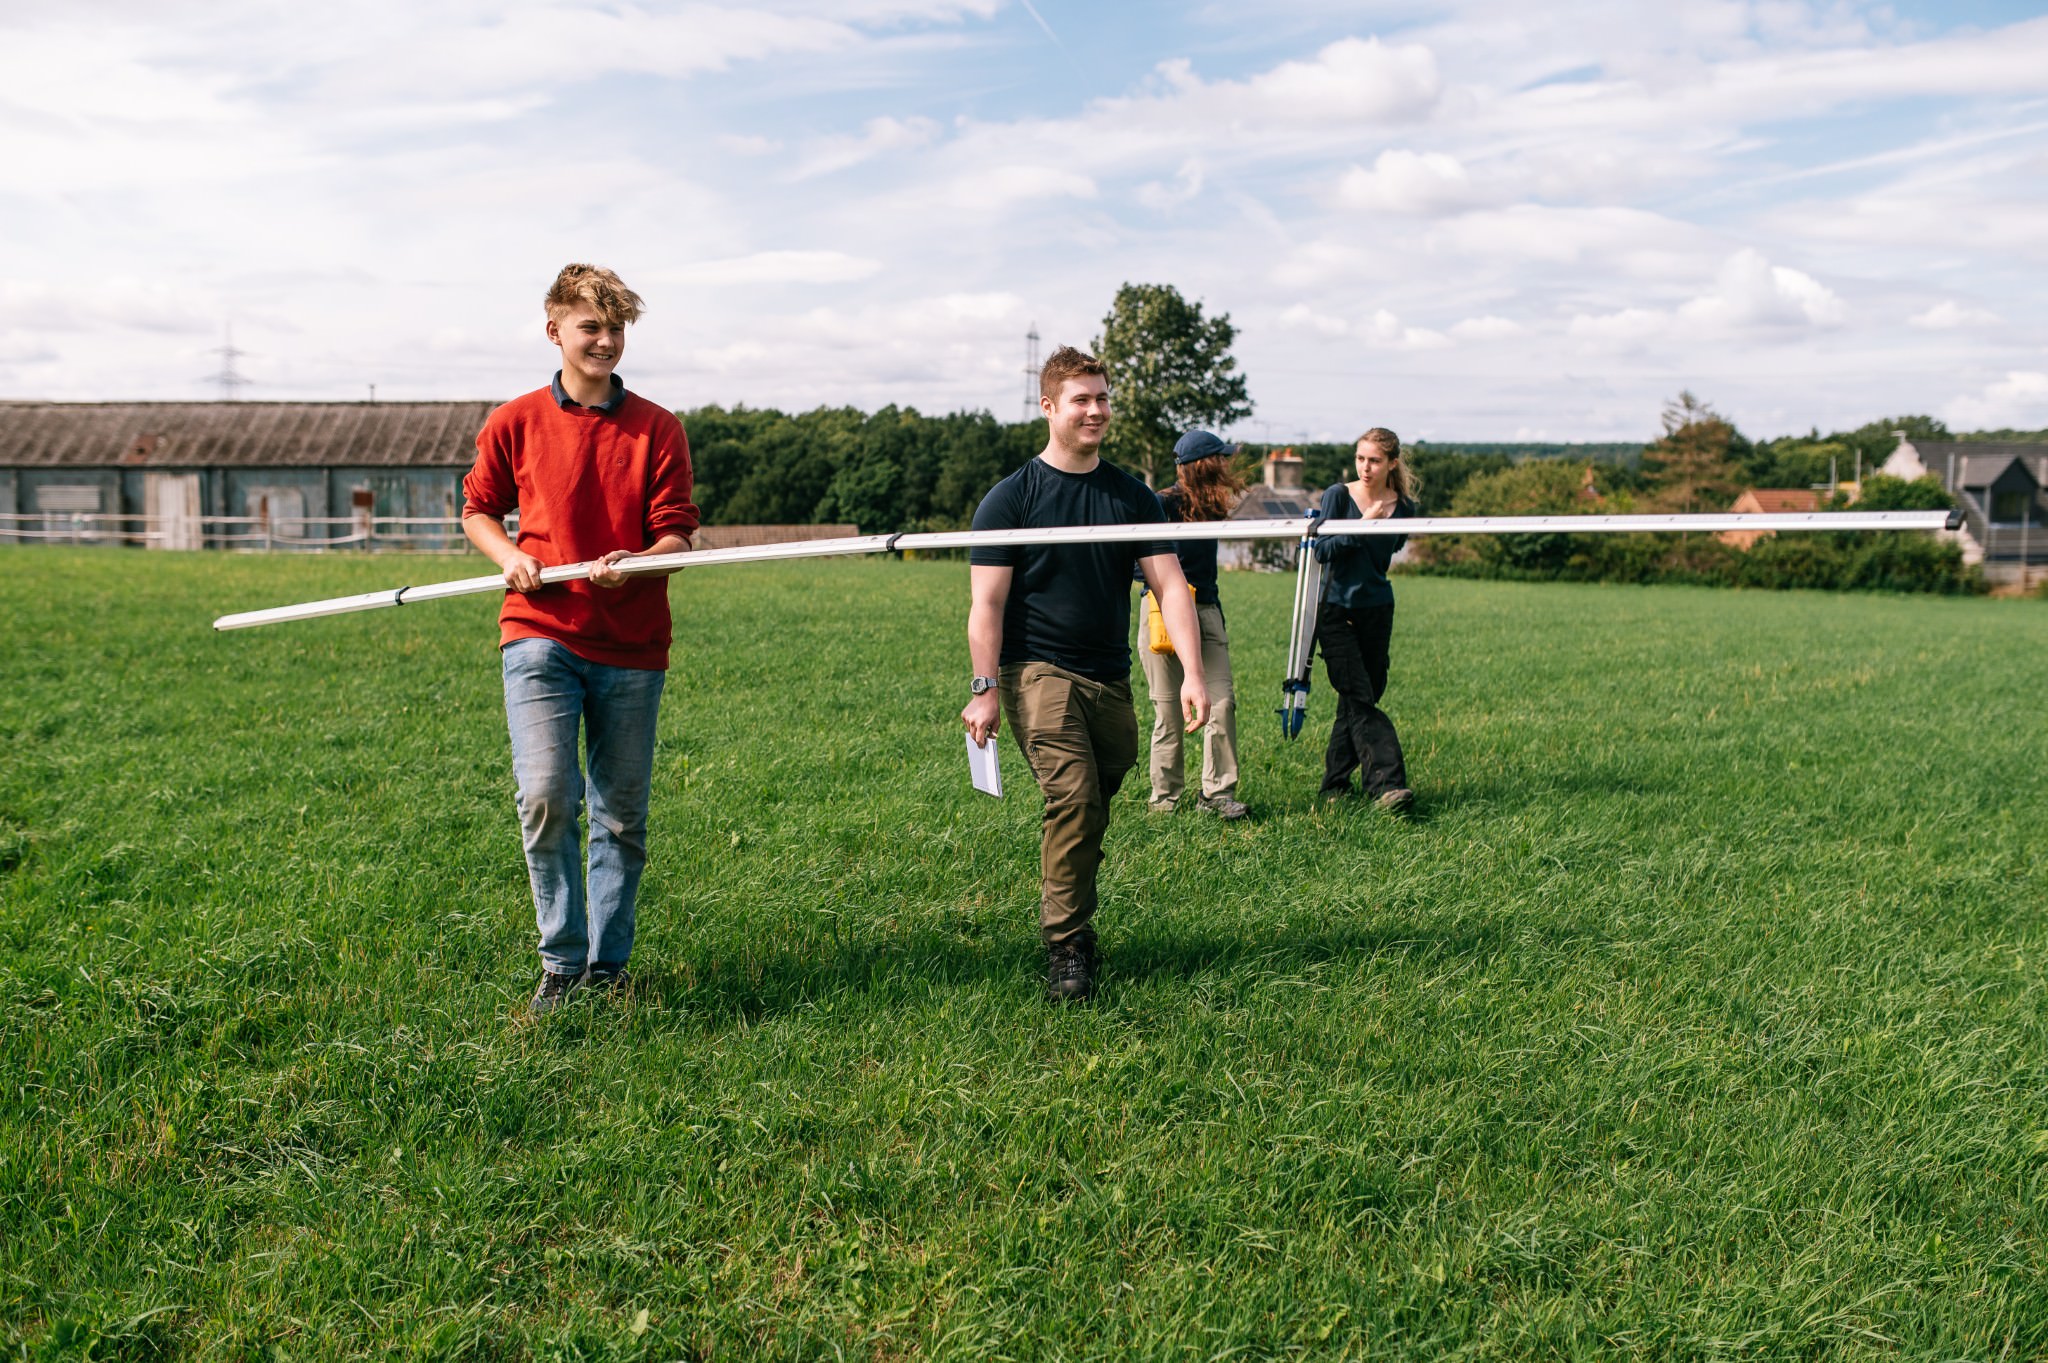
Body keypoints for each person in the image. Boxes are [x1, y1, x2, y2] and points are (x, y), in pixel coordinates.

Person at [461, 263, 698, 1016]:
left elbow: (678, 537)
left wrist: (639, 563)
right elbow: (477, 511)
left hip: (631, 643)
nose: (605, 340)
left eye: (616, 328)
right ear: (554, 329)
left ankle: (609, 967)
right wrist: (510, 556)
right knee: (546, 796)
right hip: (540, 632)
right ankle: (561, 964)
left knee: (620, 815)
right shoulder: (514, 421)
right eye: (590, 326)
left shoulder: (658, 428)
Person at [961, 346, 1209, 1003]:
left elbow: (1170, 586)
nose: (1096, 410)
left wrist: (1192, 672)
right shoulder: (1011, 499)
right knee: (1072, 797)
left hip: (1108, 677)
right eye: (1082, 399)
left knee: (1096, 795)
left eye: (1102, 398)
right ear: (1049, 407)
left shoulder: (1131, 496)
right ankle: (1067, 944)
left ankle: (1069, 905)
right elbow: (986, 606)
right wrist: (984, 688)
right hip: (1034, 670)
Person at [1139, 429, 1249, 819]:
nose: (1225, 465)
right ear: (1203, 465)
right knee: (1168, 712)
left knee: (1222, 703)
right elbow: (1136, 562)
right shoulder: (1161, 504)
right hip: (1161, 613)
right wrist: (1169, 585)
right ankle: (1164, 801)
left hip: (1207, 610)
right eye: (1219, 458)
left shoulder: (1212, 506)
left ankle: (1217, 794)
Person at [1313, 426, 1418, 811]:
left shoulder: (1403, 507)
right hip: (1336, 609)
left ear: (1392, 463)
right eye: (1360, 459)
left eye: (1374, 460)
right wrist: (1363, 526)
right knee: (1359, 695)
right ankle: (1386, 784)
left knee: (1361, 698)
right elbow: (1322, 550)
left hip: (1377, 608)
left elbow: (1393, 548)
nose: (1366, 467)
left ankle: (1334, 786)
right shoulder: (1338, 496)